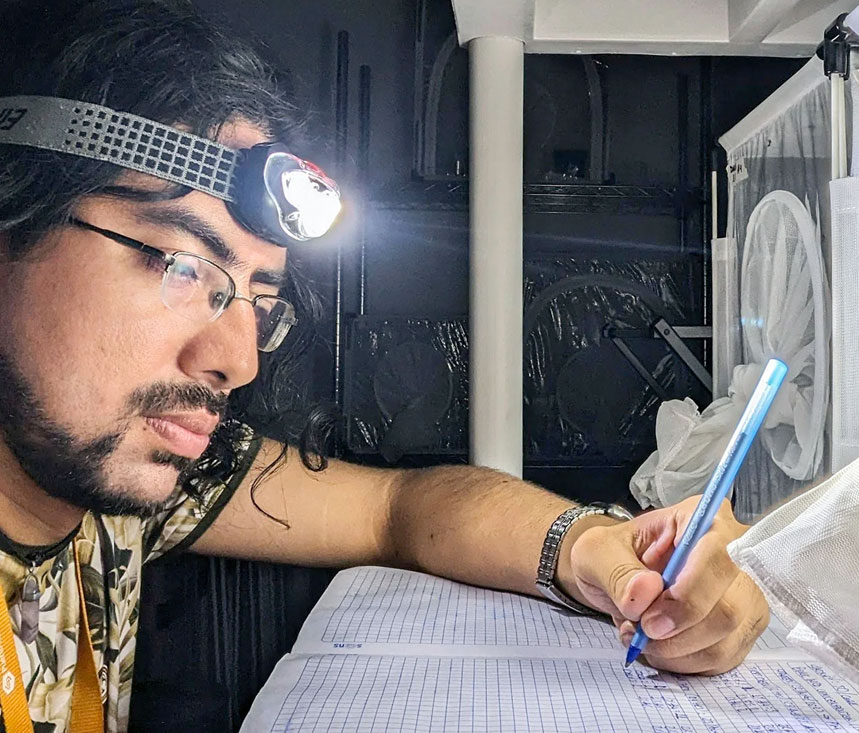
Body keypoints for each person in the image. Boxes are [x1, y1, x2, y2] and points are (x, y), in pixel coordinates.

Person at [0, 0, 768, 730]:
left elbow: (398, 510)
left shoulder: (129, 484)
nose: (237, 360)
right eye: (180, 266)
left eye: (259, 307)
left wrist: (596, 549)